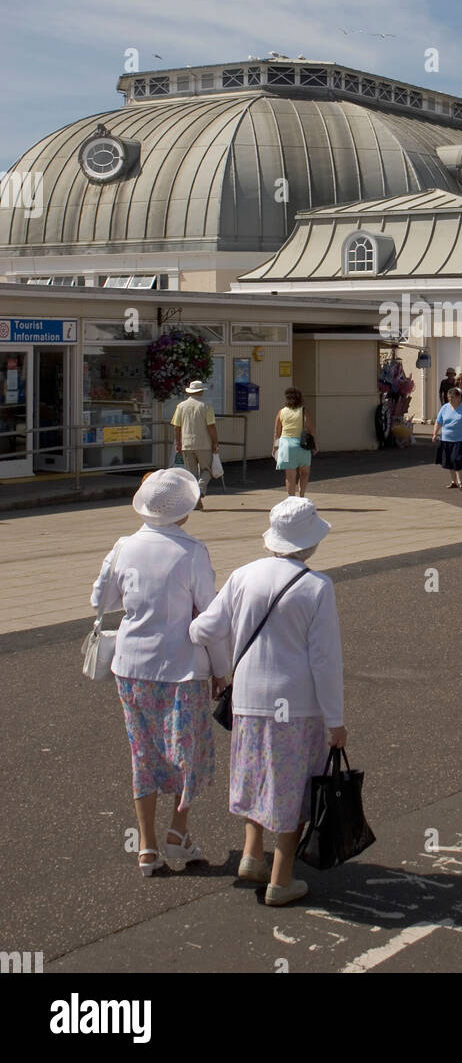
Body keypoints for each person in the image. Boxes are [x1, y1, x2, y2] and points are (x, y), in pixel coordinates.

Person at [190, 498, 345, 907]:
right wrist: (337, 721)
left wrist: (184, 620)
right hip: (296, 704)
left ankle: (252, 854)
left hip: (247, 699)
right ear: (308, 543)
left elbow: (206, 627)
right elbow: (325, 660)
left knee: (256, 775)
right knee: (292, 788)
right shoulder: (316, 587)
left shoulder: (244, 575)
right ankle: (281, 878)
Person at [89, 469, 232, 876]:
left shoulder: (123, 547)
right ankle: (178, 830)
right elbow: (211, 617)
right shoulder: (192, 552)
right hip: (181, 668)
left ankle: (147, 847)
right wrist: (222, 669)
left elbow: (100, 597)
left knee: (143, 752)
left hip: (131, 667)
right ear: (183, 511)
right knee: (191, 752)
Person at [172, 381, 219, 510]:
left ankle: (195, 499)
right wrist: (215, 442)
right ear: (201, 391)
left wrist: (178, 443)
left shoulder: (181, 406)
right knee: (207, 469)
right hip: (204, 443)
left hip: (187, 444)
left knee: (191, 474)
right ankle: (200, 489)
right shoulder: (206, 406)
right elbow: (211, 426)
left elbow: (176, 427)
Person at [274, 388, 315, 495]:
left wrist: (275, 448)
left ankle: (291, 499)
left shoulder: (281, 412)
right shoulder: (304, 411)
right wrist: (315, 445)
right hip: (301, 445)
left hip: (286, 445)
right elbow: (311, 430)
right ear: (300, 399)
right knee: (304, 472)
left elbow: (277, 433)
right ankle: (301, 496)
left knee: (290, 476)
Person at [432, 386, 462, 489]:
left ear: (459, 397)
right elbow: (439, 421)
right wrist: (435, 433)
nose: (450, 399)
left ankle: (460, 481)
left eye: (452, 397)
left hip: (461, 439)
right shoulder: (445, 407)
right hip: (446, 439)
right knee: (449, 461)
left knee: (457, 460)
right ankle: (453, 481)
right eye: (449, 397)